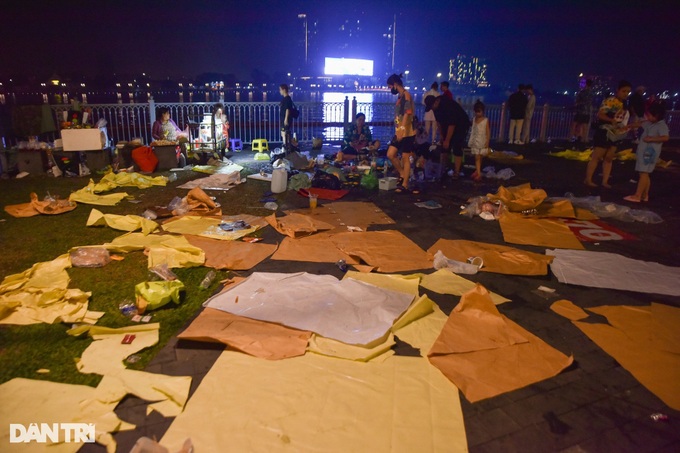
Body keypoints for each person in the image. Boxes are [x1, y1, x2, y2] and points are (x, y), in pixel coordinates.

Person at [584, 79, 632, 188]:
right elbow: (600, 115)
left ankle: (605, 181)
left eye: (628, 92)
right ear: (618, 90)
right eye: (624, 91)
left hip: (616, 133)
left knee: (609, 158)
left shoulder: (624, 104)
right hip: (604, 132)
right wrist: (611, 121)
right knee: (597, 156)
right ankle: (588, 179)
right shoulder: (610, 101)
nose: (626, 94)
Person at [623, 101, 669, 203]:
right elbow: (640, 124)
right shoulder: (649, 123)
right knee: (645, 173)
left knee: (643, 173)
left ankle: (637, 195)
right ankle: (644, 195)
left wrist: (651, 139)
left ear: (656, 115)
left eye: (649, 115)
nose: (647, 117)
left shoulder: (661, 125)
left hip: (649, 153)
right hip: (644, 152)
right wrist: (628, 126)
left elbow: (665, 137)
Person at [425, 93, 471, 180]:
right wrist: (442, 136)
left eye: (432, 107)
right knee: (444, 147)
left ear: (436, 102)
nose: (432, 109)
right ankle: (443, 169)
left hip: (460, 124)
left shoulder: (447, 105)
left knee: (456, 145)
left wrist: (447, 140)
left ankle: (456, 171)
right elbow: (439, 123)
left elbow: (452, 124)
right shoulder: (435, 108)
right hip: (448, 125)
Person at [386, 73, 419, 194]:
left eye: (390, 87)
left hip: (407, 132)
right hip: (400, 131)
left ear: (395, 84)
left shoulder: (406, 95)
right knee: (391, 154)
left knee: (405, 157)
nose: (390, 89)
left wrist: (401, 129)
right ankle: (402, 173)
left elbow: (407, 112)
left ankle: (405, 183)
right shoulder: (400, 97)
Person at [468, 100, 490, 182]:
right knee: (477, 157)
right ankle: (478, 173)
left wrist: (487, 141)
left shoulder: (485, 120)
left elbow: (488, 132)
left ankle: (477, 171)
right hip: (475, 140)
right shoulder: (474, 119)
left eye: (479, 112)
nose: (478, 114)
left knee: (479, 157)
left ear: (483, 112)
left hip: (482, 140)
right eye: (476, 112)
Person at [570, 79, 594, 145]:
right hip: (587, 112)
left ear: (586, 84)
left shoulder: (582, 92)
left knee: (574, 124)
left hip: (580, 111)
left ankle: (571, 138)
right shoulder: (591, 93)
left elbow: (577, 101)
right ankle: (584, 139)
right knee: (585, 126)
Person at [279, 84, 294, 151]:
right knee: (284, 133)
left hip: (285, 119)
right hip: (284, 119)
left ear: (284, 90)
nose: (280, 91)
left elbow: (287, 109)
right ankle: (286, 147)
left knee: (284, 133)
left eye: (280, 89)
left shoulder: (287, 99)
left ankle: (285, 148)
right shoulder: (287, 98)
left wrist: (286, 119)